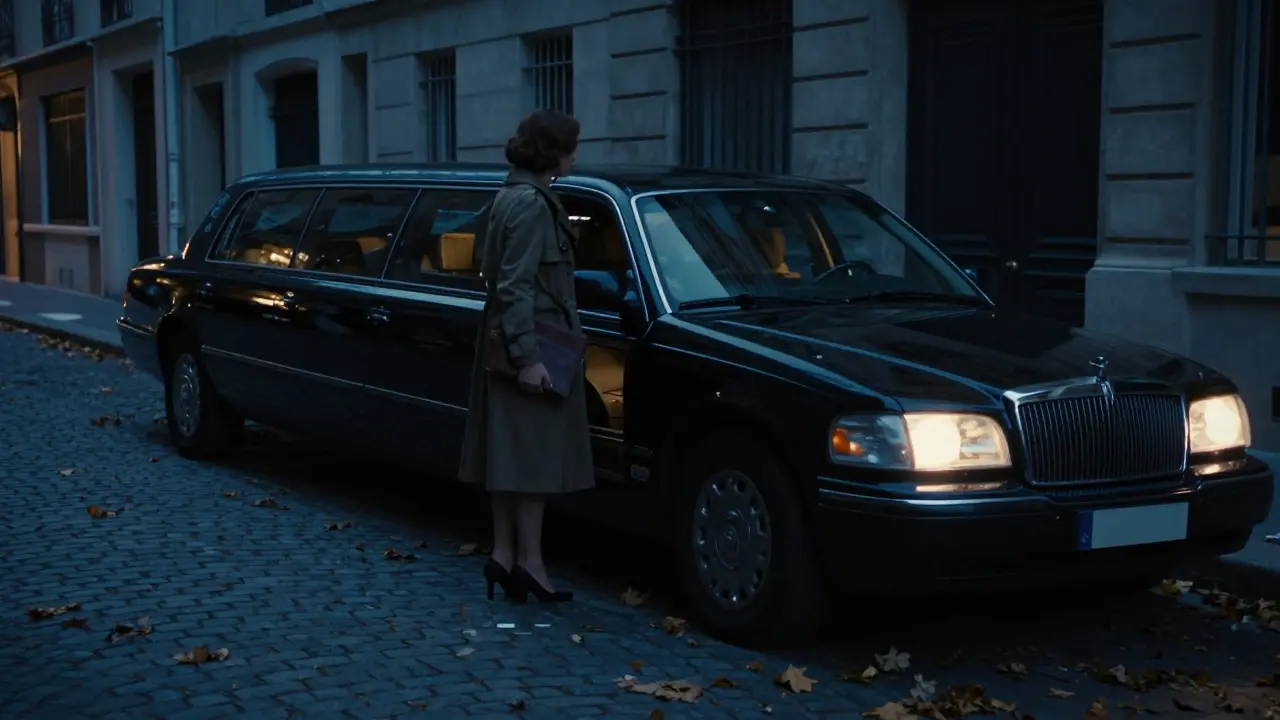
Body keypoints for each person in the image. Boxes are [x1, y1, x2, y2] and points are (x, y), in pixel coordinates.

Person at [459, 109, 594, 604]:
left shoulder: (508, 196)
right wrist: (529, 357)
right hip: (530, 343)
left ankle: (504, 555)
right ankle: (531, 564)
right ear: (553, 152)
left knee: (508, 458)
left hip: (508, 340)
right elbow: (514, 283)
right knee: (531, 463)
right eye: (571, 146)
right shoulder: (534, 204)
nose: (577, 154)